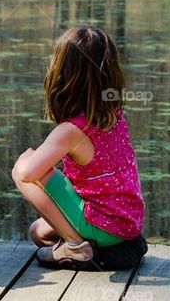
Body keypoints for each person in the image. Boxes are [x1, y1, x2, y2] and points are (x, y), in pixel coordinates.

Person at [11, 25, 145, 269]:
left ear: (63, 75)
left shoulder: (71, 131)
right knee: (38, 232)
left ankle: (75, 247)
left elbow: (27, 174)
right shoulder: (115, 115)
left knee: (21, 170)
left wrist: (28, 158)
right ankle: (78, 242)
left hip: (104, 224)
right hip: (128, 223)